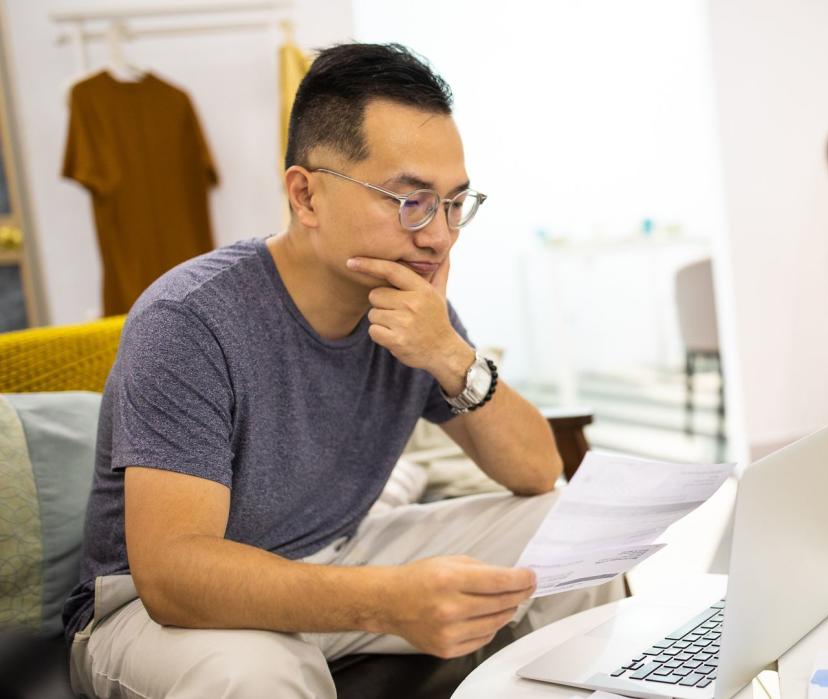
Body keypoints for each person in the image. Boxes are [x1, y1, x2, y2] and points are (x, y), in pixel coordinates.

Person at [64, 43, 623, 698]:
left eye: (454, 203)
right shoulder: (189, 319)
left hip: (330, 551)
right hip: (145, 612)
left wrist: (449, 353)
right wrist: (386, 601)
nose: (440, 235)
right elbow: (173, 573)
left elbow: (536, 473)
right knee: (256, 674)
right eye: (411, 200)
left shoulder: (414, 311)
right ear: (305, 195)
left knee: (570, 538)